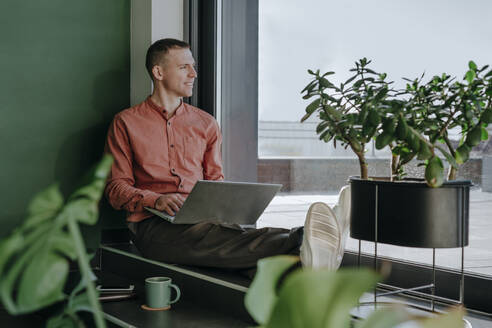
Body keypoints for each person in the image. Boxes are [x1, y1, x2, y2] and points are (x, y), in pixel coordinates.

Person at [104, 38, 348, 275]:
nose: (193, 74)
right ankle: (304, 238)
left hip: (206, 222)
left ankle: (309, 258)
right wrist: (156, 199)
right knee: (210, 236)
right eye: (183, 67)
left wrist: (224, 203)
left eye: (194, 66)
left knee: (237, 247)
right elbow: (116, 189)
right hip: (154, 226)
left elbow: (215, 180)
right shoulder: (126, 122)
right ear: (158, 72)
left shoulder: (206, 123)